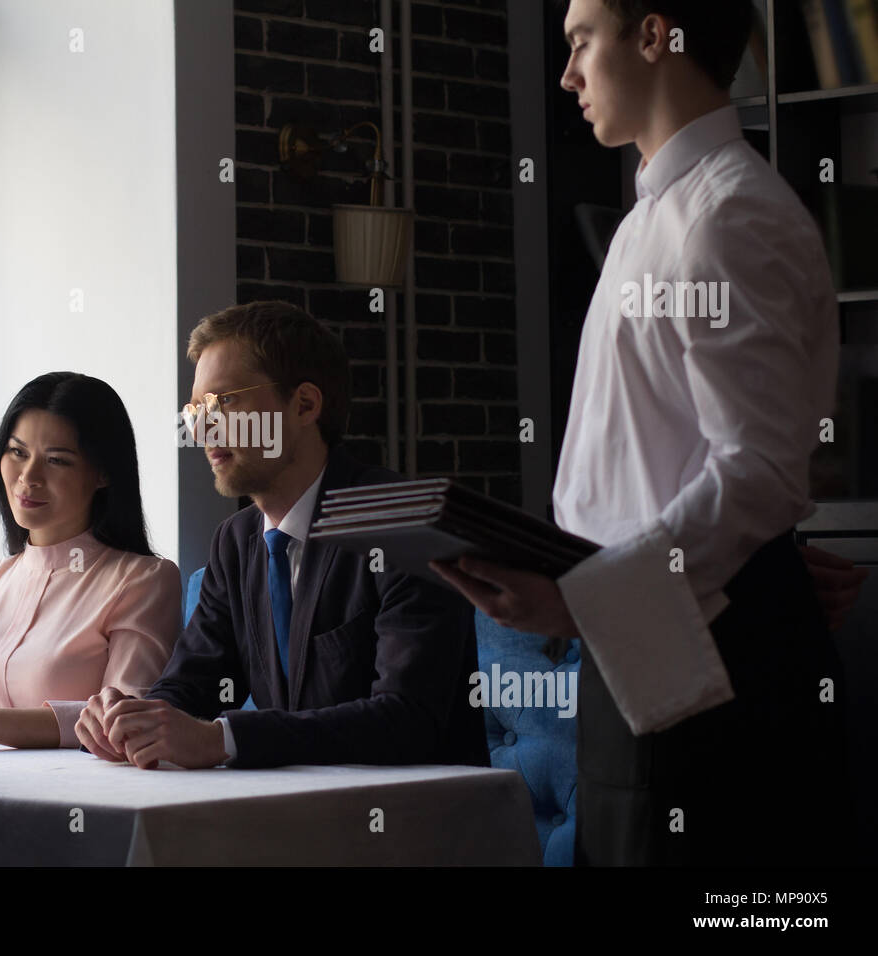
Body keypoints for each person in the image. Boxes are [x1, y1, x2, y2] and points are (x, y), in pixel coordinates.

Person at [432, 0, 857, 865]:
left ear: (658, 35)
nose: (568, 74)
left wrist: (589, 596)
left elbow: (761, 471)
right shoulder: (641, 223)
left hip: (714, 645)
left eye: (582, 40)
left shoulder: (731, 215)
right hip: (645, 636)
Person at [73, 301, 488, 770]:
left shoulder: (404, 522)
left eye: (224, 402)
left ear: (305, 405)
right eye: (195, 409)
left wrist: (225, 740)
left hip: (418, 822)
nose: (201, 427)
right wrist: (130, 720)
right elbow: (191, 685)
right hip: (291, 814)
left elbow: (406, 720)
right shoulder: (235, 541)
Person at [0, 372, 181, 749]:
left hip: (84, 797)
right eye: (17, 452)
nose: (28, 477)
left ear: (104, 473)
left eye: (56, 460)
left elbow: (124, 715)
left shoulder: (143, 580)